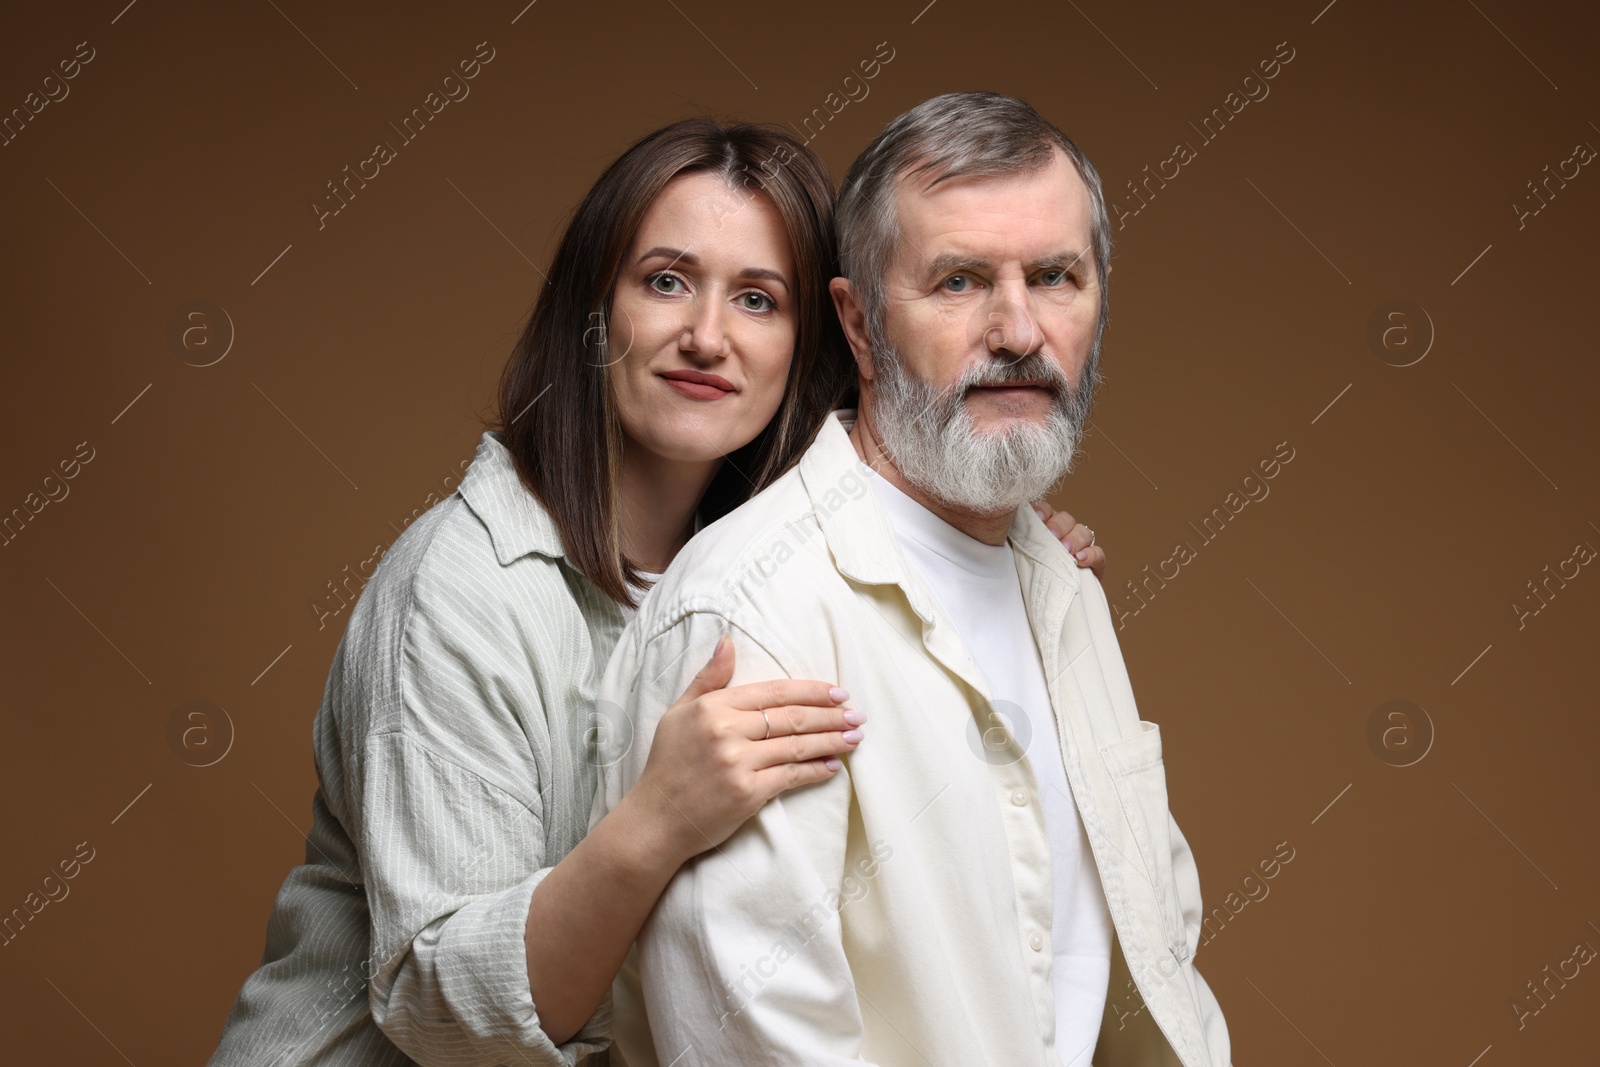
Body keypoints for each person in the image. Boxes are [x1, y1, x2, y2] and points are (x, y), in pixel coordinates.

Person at [206, 116, 1106, 1066]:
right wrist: (654, 821)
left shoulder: (771, 570)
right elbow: (439, 1014)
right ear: (596, 311)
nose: (707, 338)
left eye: (758, 300)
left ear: (821, 337)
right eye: (666, 281)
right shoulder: (462, 586)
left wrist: (984, 541)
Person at [596, 92, 1230, 1067]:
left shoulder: (1065, 588)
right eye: (959, 281)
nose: (1017, 328)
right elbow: (757, 1039)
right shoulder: (756, 613)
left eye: (1055, 276)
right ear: (857, 323)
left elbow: (1148, 966)